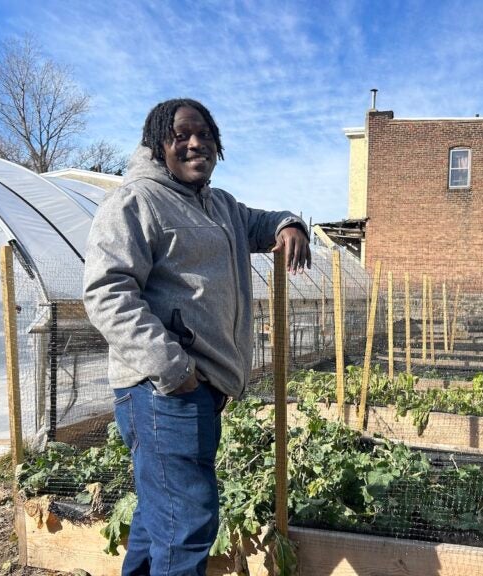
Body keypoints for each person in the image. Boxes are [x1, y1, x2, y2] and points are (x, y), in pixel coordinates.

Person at [83, 98, 311, 576]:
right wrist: (173, 368)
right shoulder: (136, 201)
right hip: (162, 391)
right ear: (156, 143)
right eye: (181, 134)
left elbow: (261, 223)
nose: (195, 143)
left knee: (157, 518)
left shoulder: (219, 204)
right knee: (187, 526)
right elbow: (107, 292)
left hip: (195, 392)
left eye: (204, 134)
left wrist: (290, 223)